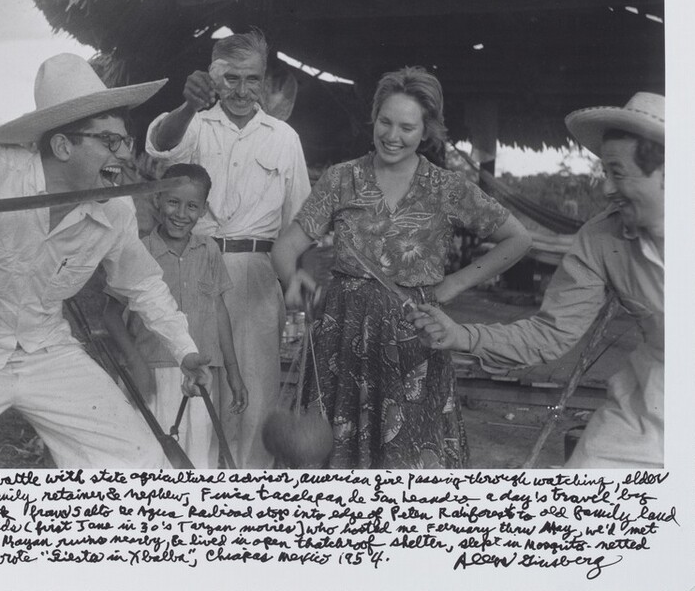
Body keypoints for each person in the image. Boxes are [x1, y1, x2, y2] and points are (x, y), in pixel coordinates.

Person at [0, 53, 211, 468]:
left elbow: (142, 284)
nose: (125, 155)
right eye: (110, 142)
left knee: (141, 462)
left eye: (125, 140)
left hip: (48, 350)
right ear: (62, 145)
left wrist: (186, 351)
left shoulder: (116, 210)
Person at [271, 66, 531, 469]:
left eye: (407, 127)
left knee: (408, 456)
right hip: (341, 334)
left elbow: (519, 238)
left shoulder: (446, 188)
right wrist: (293, 278)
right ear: (373, 118)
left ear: (426, 130)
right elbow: (286, 248)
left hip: (414, 340)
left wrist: (453, 285)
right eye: (385, 122)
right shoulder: (342, 178)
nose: (393, 136)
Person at [410, 92, 665, 469]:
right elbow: (551, 334)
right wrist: (460, 335)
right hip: (648, 408)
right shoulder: (600, 239)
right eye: (605, 172)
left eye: (618, 173)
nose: (606, 189)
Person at [145, 29, 311, 468]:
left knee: (255, 392)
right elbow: (161, 146)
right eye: (231, 79)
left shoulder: (283, 137)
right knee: (194, 387)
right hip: (193, 264)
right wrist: (188, 104)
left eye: (251, 79)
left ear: (263, 80)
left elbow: (301, 222)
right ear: (213, 79)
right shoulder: (192, 121)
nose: (241, 91)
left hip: (255, 273)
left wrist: (299, 285)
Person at [103, 163, 248, 468]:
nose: (181, 213)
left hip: (200, 375)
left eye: (192, 206)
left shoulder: (209, 250)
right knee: (147, 456)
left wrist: (233, 373)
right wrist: (136, 363)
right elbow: (110, 316)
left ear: (204, 209)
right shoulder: (139, 250)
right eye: (173, 202)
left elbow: (218, 310)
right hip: (152, 374)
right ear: (156, 200)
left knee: (196, 459)